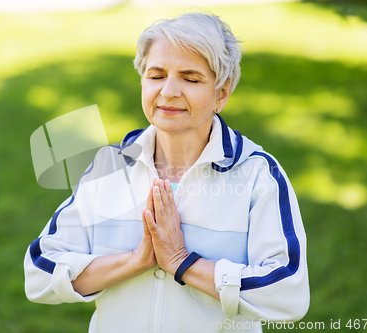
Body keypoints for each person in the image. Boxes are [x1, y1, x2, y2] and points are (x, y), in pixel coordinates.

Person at [24, 11, 309, 333]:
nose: (169, 91)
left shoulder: (258, 175)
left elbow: (287, 295)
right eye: (156, 75)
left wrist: (180, 261)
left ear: (222, 93)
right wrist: (134, 262)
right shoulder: (110, 166)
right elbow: (39, 275)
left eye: (191, 78)